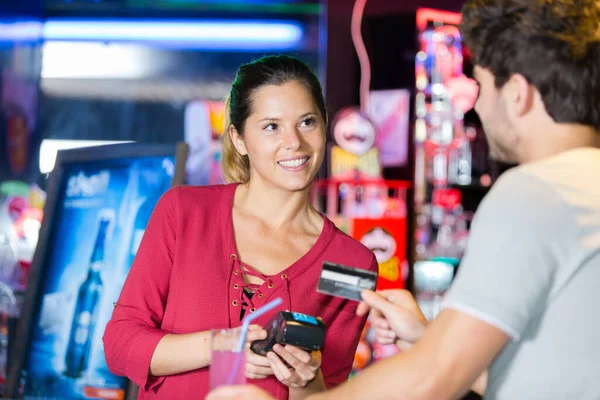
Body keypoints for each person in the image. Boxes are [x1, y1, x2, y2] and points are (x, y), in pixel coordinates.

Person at [207, 0, 600, 399]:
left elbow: (434, 378)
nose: (477, 105)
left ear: (518, 94)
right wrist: (427, 338)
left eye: (480, 84)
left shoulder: (535, 193)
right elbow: (552, 372)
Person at [102, 55, 378, 400]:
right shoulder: (184, 212)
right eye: (271, 126)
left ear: (324, 126)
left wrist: (306, 382)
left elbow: (332, 389)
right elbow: (120, 344)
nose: (294, 142)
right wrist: (219, 345)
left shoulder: (352, 264)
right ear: (239, 139)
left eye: (307, 122)